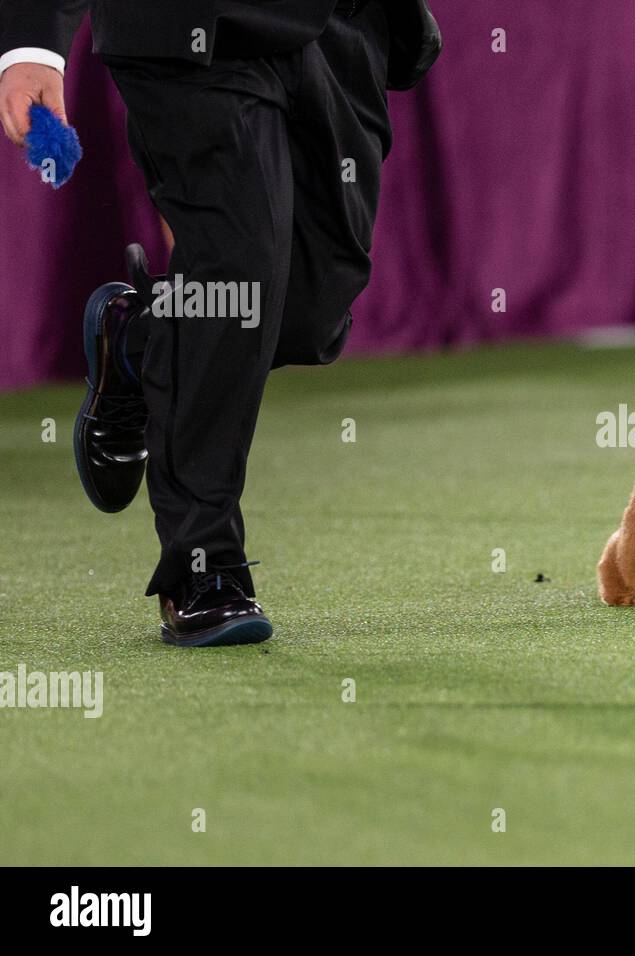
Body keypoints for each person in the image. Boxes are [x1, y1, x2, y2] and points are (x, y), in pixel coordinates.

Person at [0, 0, 439, 646]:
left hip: (335, 30)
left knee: (307, 316)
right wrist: (33, 44)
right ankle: (204, 568)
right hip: (188, 30)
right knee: (240, 279)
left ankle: (136, 340)